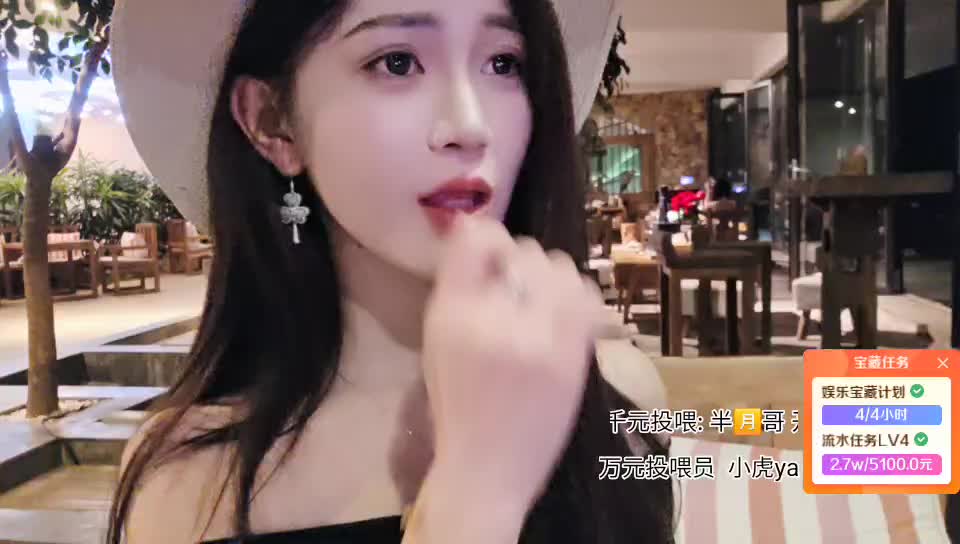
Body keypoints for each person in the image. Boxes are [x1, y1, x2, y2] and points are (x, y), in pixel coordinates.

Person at [108, 1, 675, 543]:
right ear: (272, 121)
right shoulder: (192, 480)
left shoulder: (625, 392)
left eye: (503, 63)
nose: (470, 125)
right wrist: (475, 496)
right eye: (397, 63)